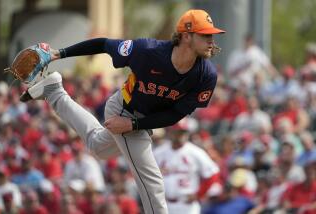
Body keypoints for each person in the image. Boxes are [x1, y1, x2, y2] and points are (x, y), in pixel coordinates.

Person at [19, 9, 225, 214]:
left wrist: (134, 125)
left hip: (139, 121)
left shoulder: (206, 75)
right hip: (124, 109)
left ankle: (54, 91)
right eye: (205, 35)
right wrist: (58, 54)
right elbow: (104, 44)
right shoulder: (148, 50)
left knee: (97, 146)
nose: (211, 40)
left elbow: (175, 115)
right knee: (153, 182)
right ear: (186, 36)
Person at [153, 118, 221, 214]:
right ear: (171, 132)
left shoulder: (195, 152)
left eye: (183, 132)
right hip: (164, 203)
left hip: (186, 205)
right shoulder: (159, 152)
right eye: (178, 132)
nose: (181, 135)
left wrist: (199, 194)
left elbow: (213, 173)